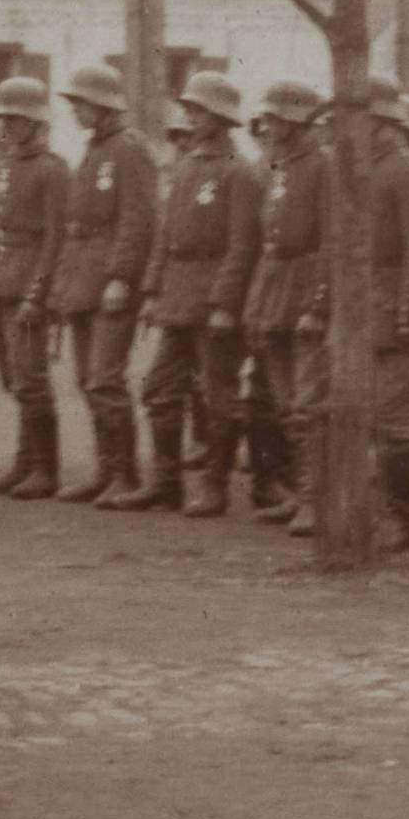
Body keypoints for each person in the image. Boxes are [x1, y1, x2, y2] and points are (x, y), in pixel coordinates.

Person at [141, 73, 263, 517]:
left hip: (214, 300)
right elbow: (165, 235)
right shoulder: (187, 166)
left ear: (220, 117)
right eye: (189, 110)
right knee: (159, 389)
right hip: (177, 294)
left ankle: (215, 487)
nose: (189, 118)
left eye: (197, 111)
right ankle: (166, 483)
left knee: (219, 396)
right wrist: (153, 290)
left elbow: (243, 246)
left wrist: (225, 304)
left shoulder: (241, 174)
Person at [334, 80, 409, 549]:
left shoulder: (407, 172)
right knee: (363, 415)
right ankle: (368, 510)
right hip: (358, 308)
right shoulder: (354, 171)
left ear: (381, 123)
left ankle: (399, 517)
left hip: (395, 307)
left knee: (396, 418)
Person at [49, 64, 159, 507]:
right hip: (83, 278)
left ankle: (124, 474)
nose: (74, 110)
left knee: (104, 378)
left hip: (111, 282)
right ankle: (104, 468)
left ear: (102, 104)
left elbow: (138, 221)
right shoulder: (95, 150)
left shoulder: (130, 151)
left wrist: (121, 278)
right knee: (85, 378)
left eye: (80, 102)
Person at [0, 76, 69, 500]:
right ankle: (24, 463)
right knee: (12, 378)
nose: (8, 127)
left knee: (31, 378)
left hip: (28, 286)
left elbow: (54, 237)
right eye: (4, 119)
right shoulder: (3, 165)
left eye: (18, 119)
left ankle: (44, 468)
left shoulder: (53, 170)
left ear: (36, 123)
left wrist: (37, 293)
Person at [243, 81, 331, 526]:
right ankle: (302, 493)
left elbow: (332, 241)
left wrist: (318, 303)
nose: (268, 125)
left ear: (297, 122)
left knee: (307, 403)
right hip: (275, 283)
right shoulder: (280, 165)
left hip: (306, 283)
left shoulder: (322, 166)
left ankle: (317, 499)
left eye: (276, 118)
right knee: (283, 402)